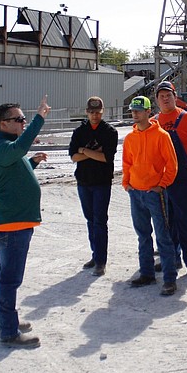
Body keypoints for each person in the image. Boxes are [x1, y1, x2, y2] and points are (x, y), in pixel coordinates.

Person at [0, 95, 51, 348]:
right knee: (10, 279)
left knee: (4, 275)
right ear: (3, 124)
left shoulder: (6, 148)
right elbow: (19, 149)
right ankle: (9, 331)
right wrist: (39, 119)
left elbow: (13, 172)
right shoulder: (2, 147)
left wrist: (32, 164)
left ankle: (7, 320)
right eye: (19, 119)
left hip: (15, 223)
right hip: (11, 225)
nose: (23, 123)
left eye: (25, 119)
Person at [122, 96, 179, 296]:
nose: (135, 114)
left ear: (148, 112)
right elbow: (127, 162)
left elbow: (172, 165)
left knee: (163, 235)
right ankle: (147, 273)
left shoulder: (162, 136)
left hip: (154, 194)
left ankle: (170, 279)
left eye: (138, 110)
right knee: (143, 235)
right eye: (133, 110)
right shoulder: (130, 137)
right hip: (135, 192)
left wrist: (161, 186)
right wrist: (126, 183)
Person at [154, 81, 187, 279]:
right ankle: (172, 258)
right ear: (157, 99)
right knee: (166, 223)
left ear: (175, 96)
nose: (165, 98)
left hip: (185, 179)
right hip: (163, 181)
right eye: (161, 96)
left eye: (168, 95)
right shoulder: (154, 122)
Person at [68, 96, 119, 277]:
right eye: (91, 112)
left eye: (98, 112)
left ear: (102, 112)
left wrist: (83, 151)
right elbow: (73, 156)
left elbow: (106, 157)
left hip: (102, 183)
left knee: (100, 221)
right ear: (86, 112)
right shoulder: (80, 131)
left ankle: (101, 261)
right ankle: (95, 254)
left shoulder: (109, 132)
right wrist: (89, 152)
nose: (95, 115)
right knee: (90, 221)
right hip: (84, 182)